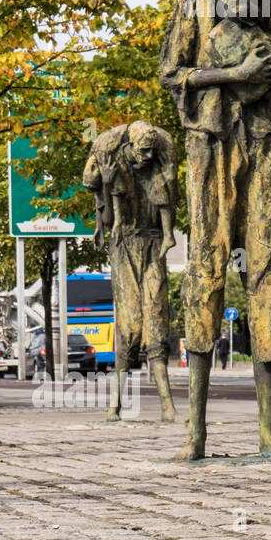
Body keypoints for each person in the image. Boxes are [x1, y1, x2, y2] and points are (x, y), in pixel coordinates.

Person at [160, 0, 271, 460]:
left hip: (261, 134)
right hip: (210, 138)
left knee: (265, 260)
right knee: (207, 263)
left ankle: (269, 430)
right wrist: (232, 75)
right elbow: (172, 73)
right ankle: (196, 431)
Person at [83, 122, 180, 422]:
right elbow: (107, 210)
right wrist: (107, 183)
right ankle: (115, 405)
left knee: (157, 318)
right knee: (130, 325)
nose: (148, 157)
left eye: (152, 151)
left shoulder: (159, 165)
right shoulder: (112, 160)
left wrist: (167, 236)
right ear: (129, 148)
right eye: (143, 151)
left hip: (153, 244)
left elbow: (167, 202)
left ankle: (168, 407)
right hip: (124, 246)